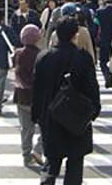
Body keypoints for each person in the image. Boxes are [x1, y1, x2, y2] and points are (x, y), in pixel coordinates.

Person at [32, 16, 101, 185]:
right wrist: (94, 111)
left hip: (51, 115)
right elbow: (92, 87)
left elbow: (37, 90)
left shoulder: (44, 57)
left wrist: (36, 116)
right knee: (75, 163)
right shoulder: (82, 57)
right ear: (75, 34)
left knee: (51, 162)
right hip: (76, 116)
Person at [13, 24, 44, 168]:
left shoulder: (18, 53)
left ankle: (26, 156)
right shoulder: (41, 55)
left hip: (21, 95)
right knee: (46, 128)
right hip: (37, 96)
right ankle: (38, 150)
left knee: (26, 128)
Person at [95, 0, 112, 88]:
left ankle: (106, 75)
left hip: (103, 39)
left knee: (103, 61)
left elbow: (96, 26)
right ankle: (111, 77)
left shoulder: (99, 12)